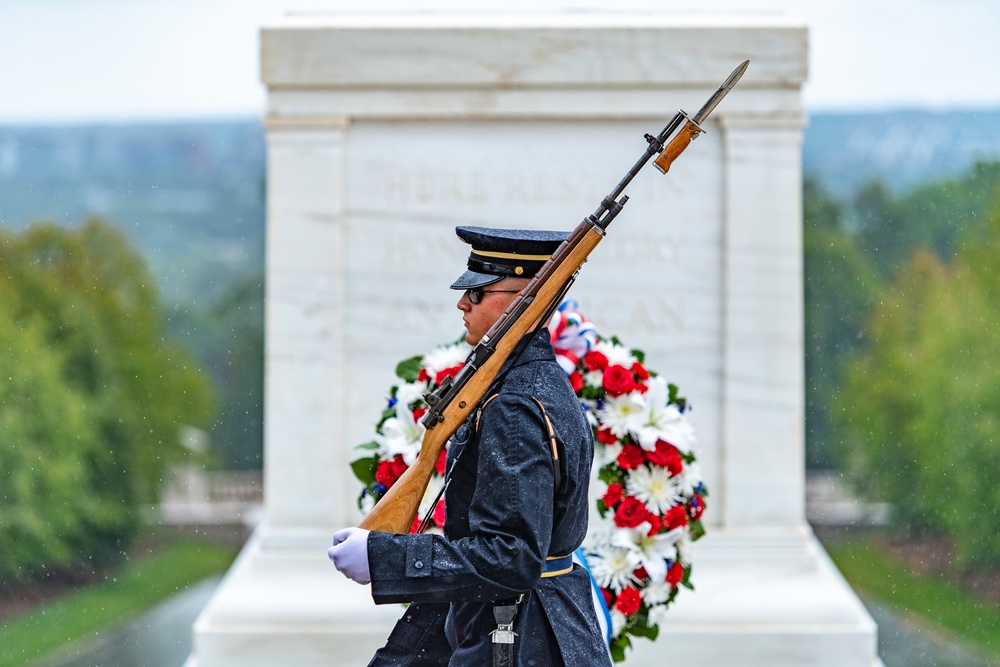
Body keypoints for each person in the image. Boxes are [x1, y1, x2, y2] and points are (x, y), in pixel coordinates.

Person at [328, 226, 613, 667]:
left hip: (517, 636)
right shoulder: (529, 383)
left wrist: (385, 556)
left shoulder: (514, 404)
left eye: (477, 294)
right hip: (530, 624)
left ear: (523, 302)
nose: (462, 303)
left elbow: (511, 557)